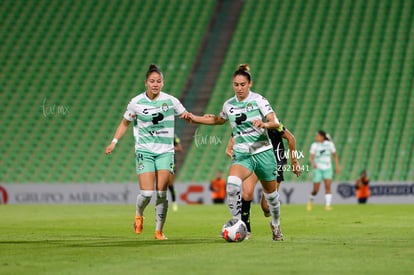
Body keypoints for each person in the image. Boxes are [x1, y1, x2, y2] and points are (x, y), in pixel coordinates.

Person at [188, 64, 285, 241]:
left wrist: (264, 124)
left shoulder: (258, 100)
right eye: (236, 84)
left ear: (250, 84)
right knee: (232, 184)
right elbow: (218, 120)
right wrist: (195, 118)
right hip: (243, 154)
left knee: (271, 198)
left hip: (263, 152)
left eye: (242, 84)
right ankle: (238, 225)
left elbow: (274, 121)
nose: (239, 88)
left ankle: (276, 224)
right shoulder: (229, 104)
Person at [105, 64, 190, 240]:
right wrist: (114, 141)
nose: (155, 84)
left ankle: (159, 231)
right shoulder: (136, 103)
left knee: (161, 193)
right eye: (152, 81)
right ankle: (138, 214)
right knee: (146, 194)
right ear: (146, 83)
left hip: (166, 152)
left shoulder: (171, 101)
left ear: (163, 83)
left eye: (158, 81)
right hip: (145, 151)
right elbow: (124, 123)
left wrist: (200, 118)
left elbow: (187, 115)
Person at [226, 124, 301, 237]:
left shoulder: (272, 123)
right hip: (253, 160)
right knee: (247, 194)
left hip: (274, 162)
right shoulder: (243, 124)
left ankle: (275, 224)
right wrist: (235, 155)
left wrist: (294, 161)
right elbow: (230, 147)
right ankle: (244, 230)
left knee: (266, 207)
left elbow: (291, 138)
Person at [307, 130, 340, 211]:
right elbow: (311, 157)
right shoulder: (314, 145)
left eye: (317, 136)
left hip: (328, 168)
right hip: (318, 168)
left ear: (323, 137)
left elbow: (335, 156)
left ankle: (327, 205)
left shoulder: (330, 144)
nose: (316, 137)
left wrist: (337, 166)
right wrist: (313, 163)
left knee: (328, 186)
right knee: (315, 190)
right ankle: (310, 201)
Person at [168, 134, 182, 212]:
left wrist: (170, 149)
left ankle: (174, 202)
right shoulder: (158, 133)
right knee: (162, 183)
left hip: (171, 162)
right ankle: (161, 202)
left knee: (170, 183)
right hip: (160, 161)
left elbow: (180, 148)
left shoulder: (173, 136)